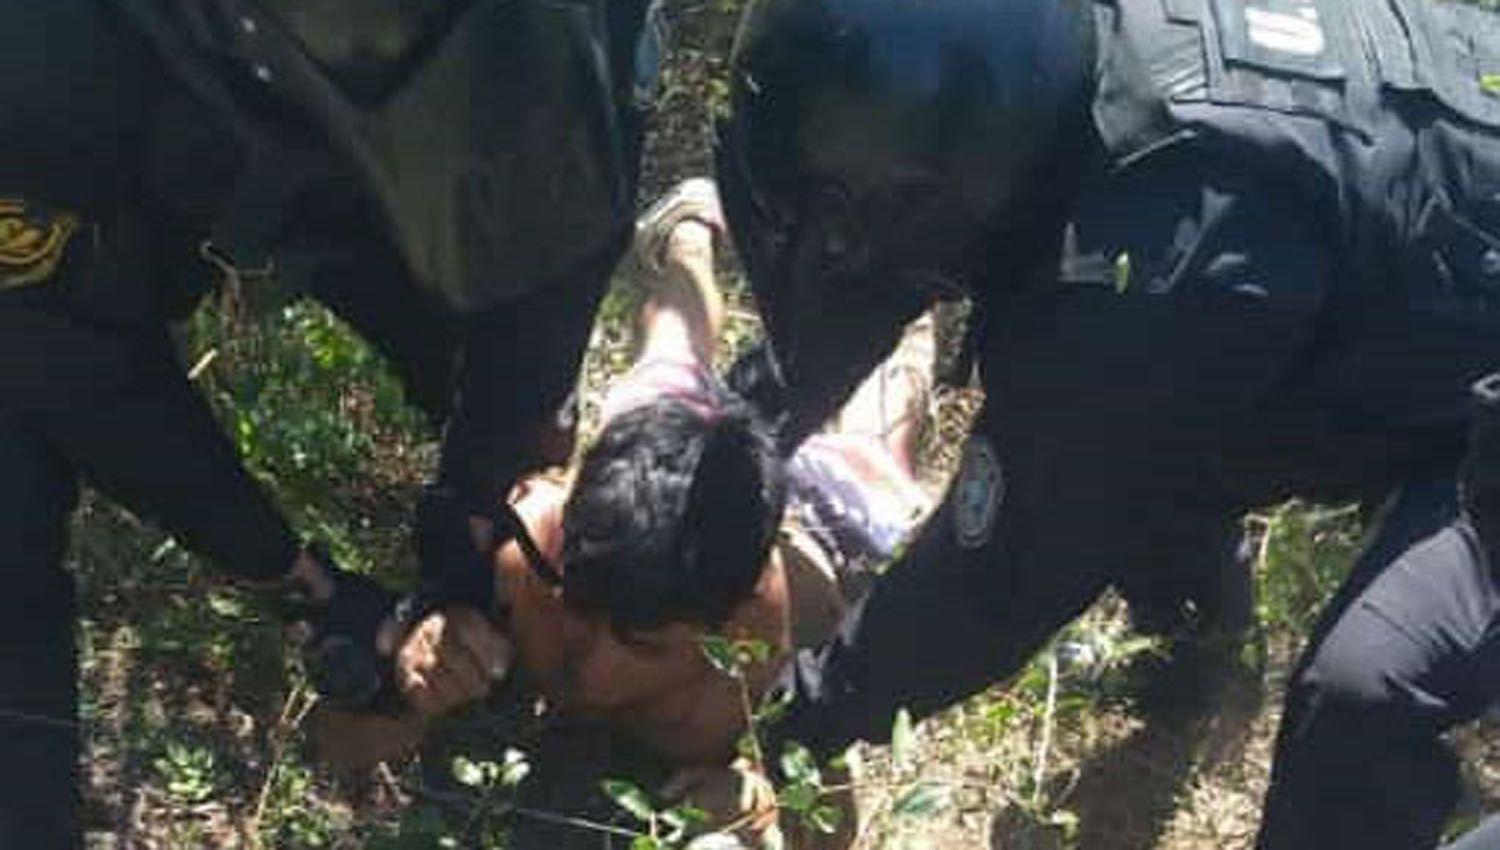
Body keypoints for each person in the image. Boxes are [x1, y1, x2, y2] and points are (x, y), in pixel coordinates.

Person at [708, 0, 1500, 846]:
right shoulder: (1077, 78)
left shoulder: (1160, 249)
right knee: (1149, 441)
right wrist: (730, 439)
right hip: (1433, 248)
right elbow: (870, 286)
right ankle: (1194, 659)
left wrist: (791, 723)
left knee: (1366, 688)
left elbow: (1004, 571)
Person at [0, 1, 657, 844]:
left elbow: (552, 270)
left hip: (338, 138)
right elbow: (83, 370)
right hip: (136, 156)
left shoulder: (589, 50)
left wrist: (476, 517)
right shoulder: (37, 60)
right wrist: (306, 585)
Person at [319, 179, 935, 847]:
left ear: (723, 629)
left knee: (875, 449)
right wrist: (410, 675)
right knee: (670, 350)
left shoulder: (757, 664)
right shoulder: (532, 544)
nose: (590, 663)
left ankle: (909, 339)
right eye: (577, 606)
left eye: (642, 643)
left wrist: (761, 800)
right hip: (662, 468)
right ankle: (689, 232)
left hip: (819, 521)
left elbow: (834, 812)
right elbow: (339, 744)